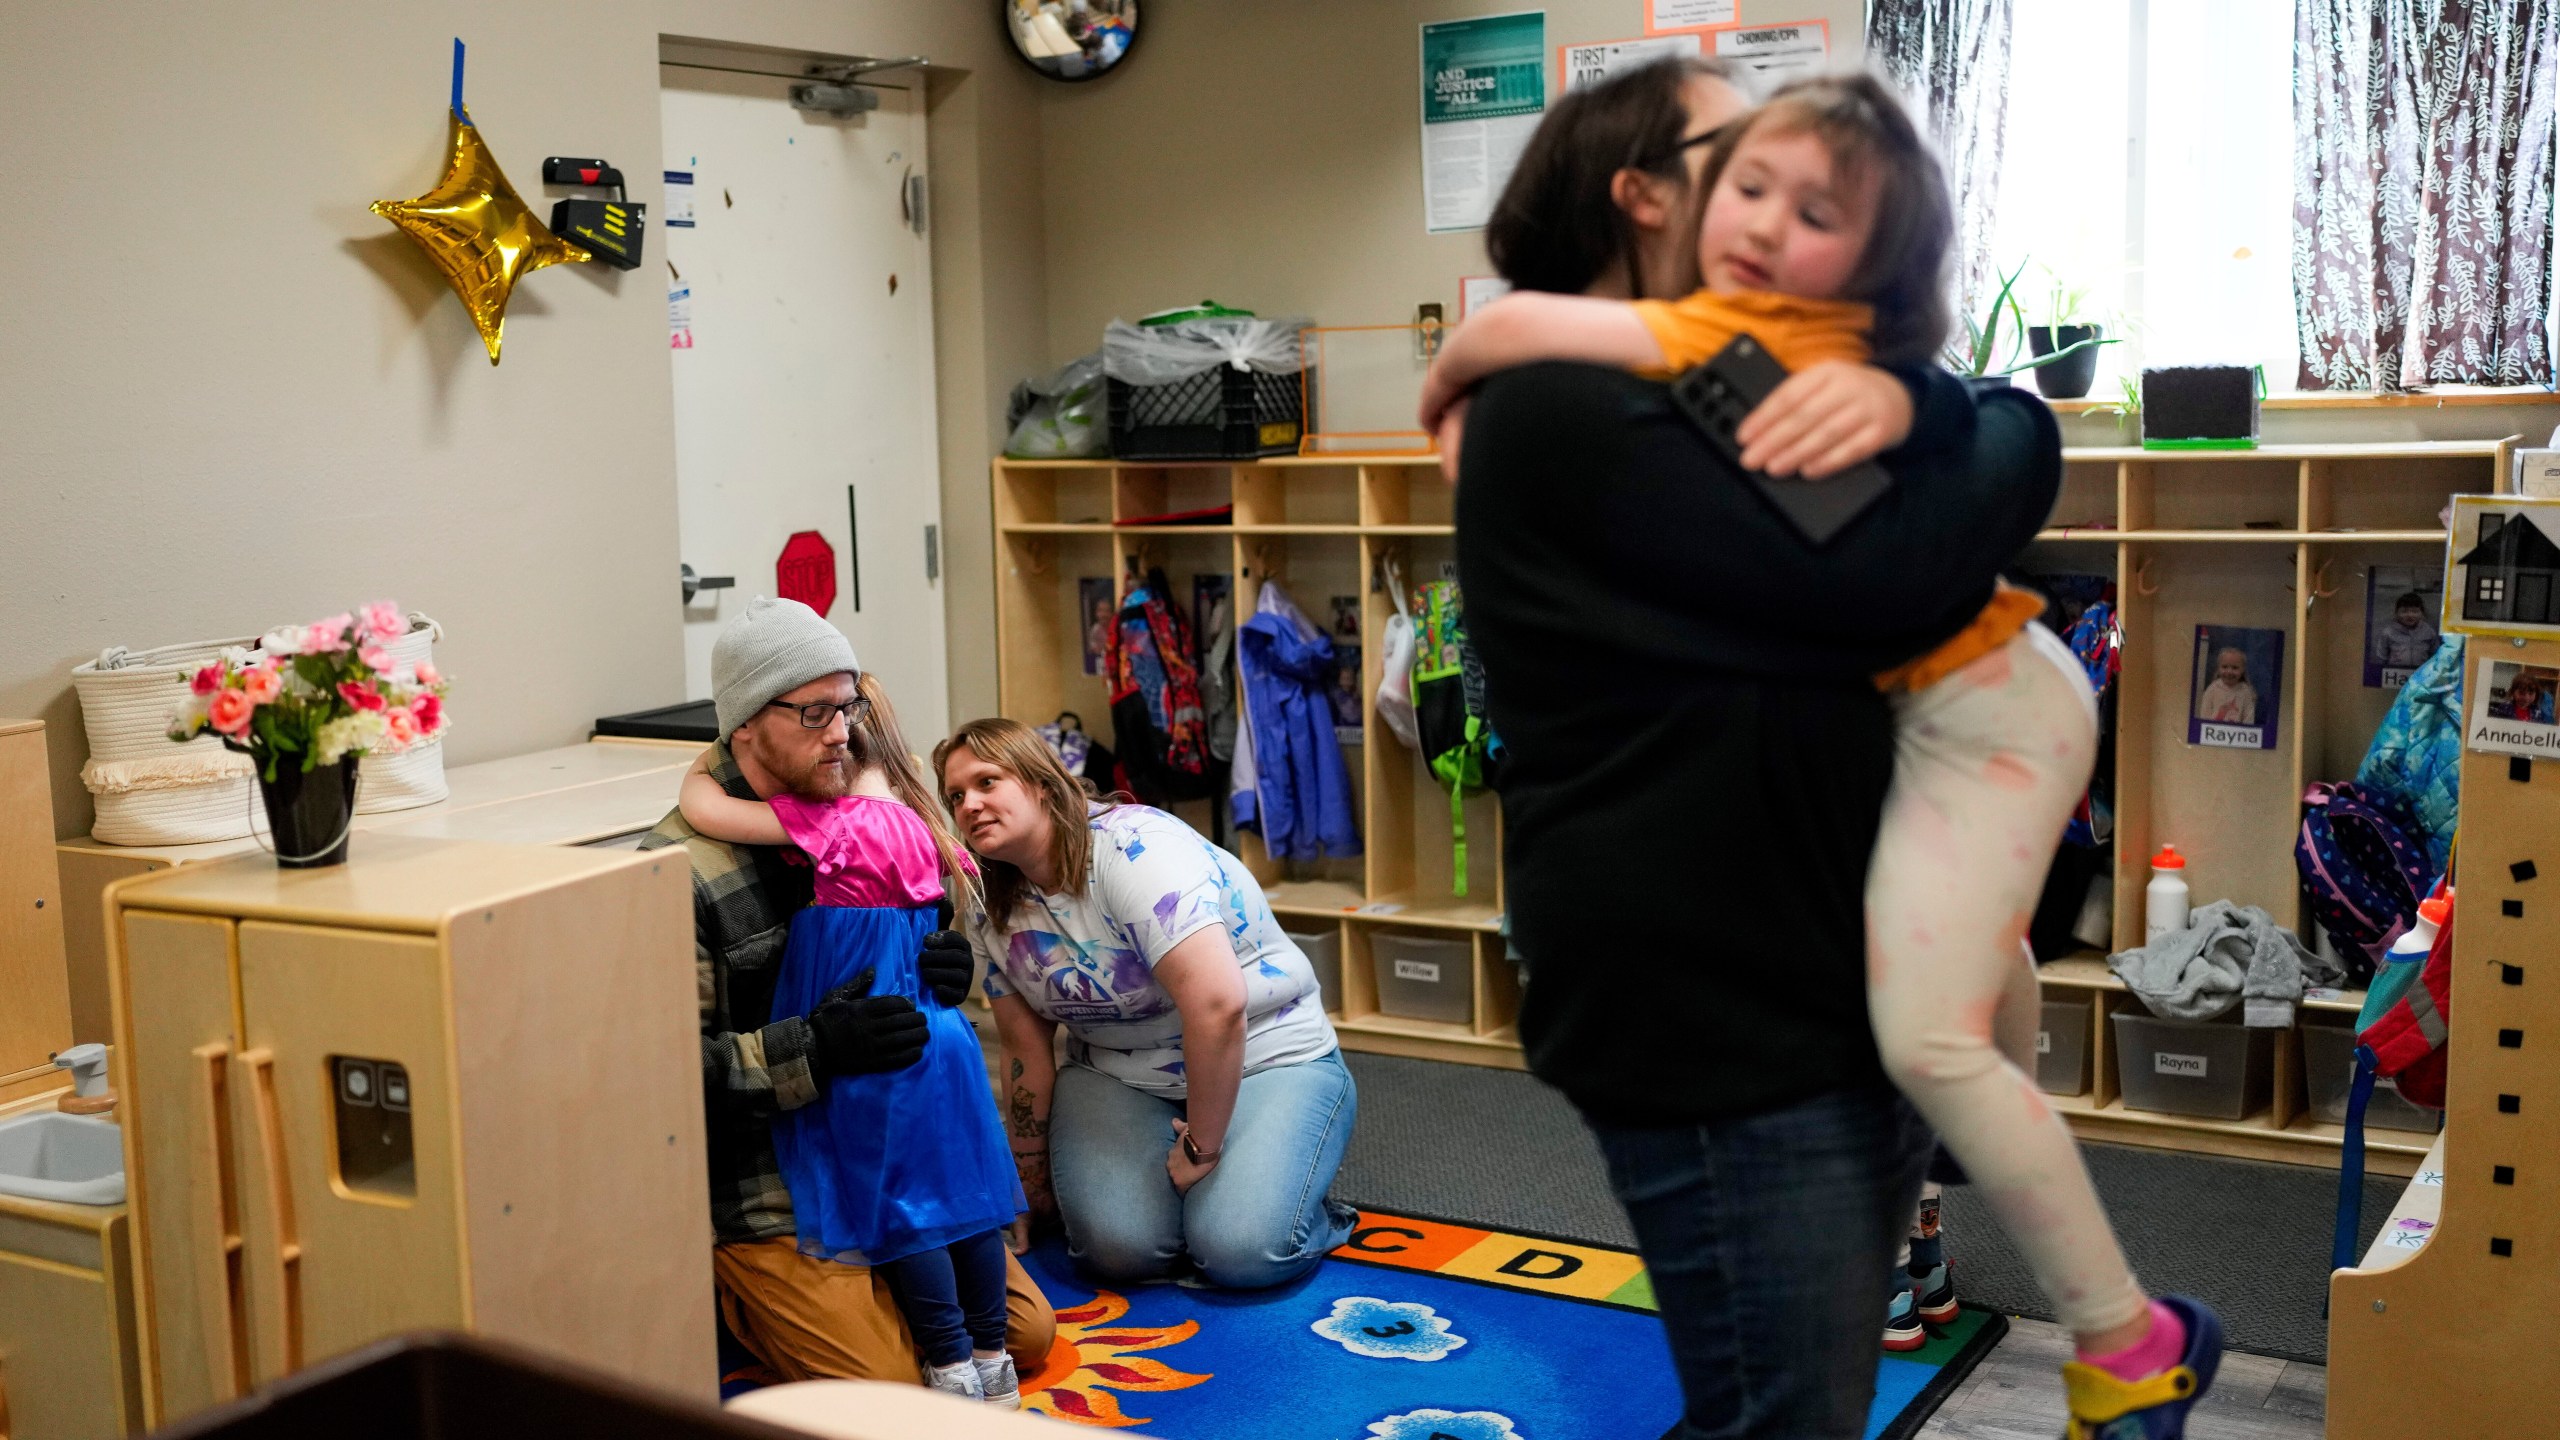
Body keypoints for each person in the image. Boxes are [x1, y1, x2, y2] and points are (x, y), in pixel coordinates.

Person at [1426, 72, 2222, 1434]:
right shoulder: (1566, 402)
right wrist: (1982, 427)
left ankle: (2124, 1330)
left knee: (1792, 1399)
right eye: (1736, 155)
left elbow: (1975, 479)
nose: (1772, 189)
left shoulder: (1724, 369)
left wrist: (1954, 415)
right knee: (1781, 1412)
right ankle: (2127, 1337)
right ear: (1647, 193)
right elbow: (1899, 566)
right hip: (1729, 1026)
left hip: (1816, 978)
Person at [638, 597, 1056, 1388]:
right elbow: (665, 1076)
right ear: (747, 726)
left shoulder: (868, 818)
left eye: (849, 704)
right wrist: (816, 1049)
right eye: (816, 712)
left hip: (897, 1141)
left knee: (1021, 1336)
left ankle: (873, 1290)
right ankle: (744, 1288)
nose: (843, 731)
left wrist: (947, 973)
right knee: (896, 1389)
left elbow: (918, 978)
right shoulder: (680, 870)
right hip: (772, 1182)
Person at [932, 717, 1358, 1290]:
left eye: (987, 782)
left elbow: (1218, 1007)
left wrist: (1202, 1150)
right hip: (1120, 1073)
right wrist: (1027, 1182)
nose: (970, 805)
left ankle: (1300, 1205)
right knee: (1117, 1254)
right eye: (956, 796)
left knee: (1241, 1252)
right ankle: (1218, 1195)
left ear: (1040, 781)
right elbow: (1022, 1046)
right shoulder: (989, 901)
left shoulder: (1134, 850)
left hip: (1264, 1054)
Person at [2372, 591, 2439, 672]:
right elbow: (2381, 657)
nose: (2410, 615)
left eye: (2415, 611)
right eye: (2404, 611)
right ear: (2396, 613)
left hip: (2421, 675)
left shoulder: (2429, 632)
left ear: (2422, 613)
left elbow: (2435, 656)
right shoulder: (2388, 632)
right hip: (2394, 675)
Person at [2196, 646, 2258, 725]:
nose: (2229, 672)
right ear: (2218, 668)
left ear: (2242, 670)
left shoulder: (2246, 692)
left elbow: (2249, 719)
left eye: (2235, 668)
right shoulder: (2212, 689)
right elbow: (2204, 715)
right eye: (2225, 667)